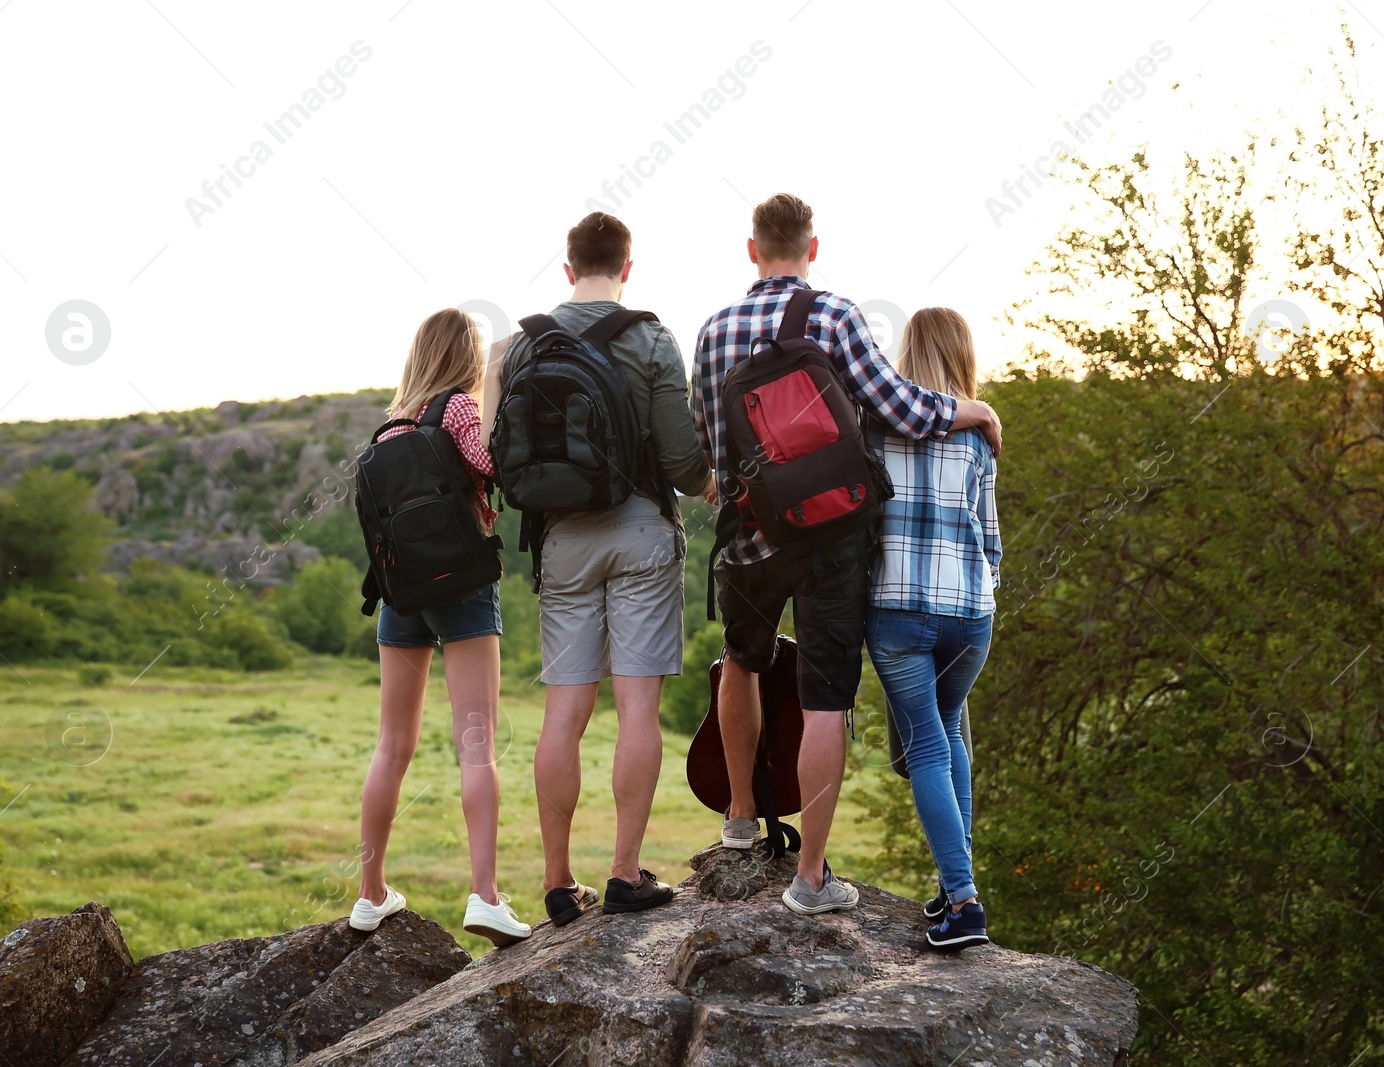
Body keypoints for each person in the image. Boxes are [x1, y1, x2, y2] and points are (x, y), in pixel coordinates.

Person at [690, 193, 1002, 916]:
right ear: (813, 247)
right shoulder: (833, 316)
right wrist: (973, 411)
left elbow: (711, 444)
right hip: (831, 539)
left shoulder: (713, 330)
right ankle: (812, 878)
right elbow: (898, 406)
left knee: (742, 660)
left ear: (751, 250)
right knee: (825, 696)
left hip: (748, 532)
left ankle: (739, 818)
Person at [485, 212, 714, 925]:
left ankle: (557, 882)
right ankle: (624, 872)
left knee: (565, 710)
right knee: (637, 706)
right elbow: (679, 459)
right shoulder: (649, 336)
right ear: (627, 266)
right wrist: (709, 482)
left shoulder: (522, 344)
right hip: (642, 528)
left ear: (566, 267)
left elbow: (497, 459)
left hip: (560, 542)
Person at [349, 308, 531, 947]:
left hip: (401, 595)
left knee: (391, 747)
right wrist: (499, 396)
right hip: (462, 588)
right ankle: (484, 895)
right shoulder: (457, 410)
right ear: (466, 358)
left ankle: (370, 896)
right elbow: (497, 467)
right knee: (476, 744)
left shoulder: (388, 430)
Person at [865, 307, 1000, 950]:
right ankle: (955, 888)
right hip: (971, 615)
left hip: (898, 612)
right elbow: (992, 542)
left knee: (924, 746)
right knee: (950, 735)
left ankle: (964, 897)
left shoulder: (875, 428)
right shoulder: (981, 434)